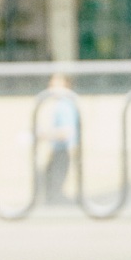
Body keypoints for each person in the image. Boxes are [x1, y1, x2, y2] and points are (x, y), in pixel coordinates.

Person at [39, 72, 79, 206]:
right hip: (60, 151)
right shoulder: (64, 104)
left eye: (55, 83)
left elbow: (67, 132)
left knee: (54, 191)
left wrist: (44, 135)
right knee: (52, 189)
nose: (50, 86)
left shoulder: (64, 106)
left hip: (62, 151)